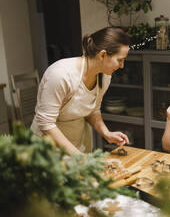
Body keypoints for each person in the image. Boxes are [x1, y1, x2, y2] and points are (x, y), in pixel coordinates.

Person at [31, 27, 130, 155]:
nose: (122, 66)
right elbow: (45, 123)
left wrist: (106, 133)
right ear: (103, 55)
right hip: (47, 151)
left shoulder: (105, 76)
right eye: (120, 60)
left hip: (78, 145)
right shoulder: (61, 75)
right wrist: (78, 157)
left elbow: (92, 110)